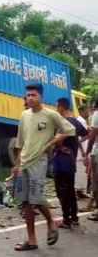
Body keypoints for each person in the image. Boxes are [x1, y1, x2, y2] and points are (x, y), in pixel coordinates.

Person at [13, 83, 75, 251]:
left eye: (33, 95)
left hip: (39, 161)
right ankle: (32, 240)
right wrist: (17, 164)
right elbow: (20, 142)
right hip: (24, 162)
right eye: (28, 95)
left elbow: (70, 130)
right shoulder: (24, 115)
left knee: (37, 197)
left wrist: (53, 142)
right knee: (25, 202)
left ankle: (51, 221)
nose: (30, 98)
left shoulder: (50, 114)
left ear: (41, 96)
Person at [53, 98, 88, 228]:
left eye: (57, 107)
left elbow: (57, 140)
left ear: (61, 107)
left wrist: (60, 146)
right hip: (71, 160)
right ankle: (74, 217)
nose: (57, 110)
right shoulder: (76, 122)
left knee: (62, 191)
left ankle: (66, 219)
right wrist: (76, 143)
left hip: (61, 160)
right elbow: (87, 134)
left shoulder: (62, 122)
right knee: (70, 190)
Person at [84, 100, 98, 221]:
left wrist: (87, 153)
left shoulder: (97, 115)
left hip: (97, 153)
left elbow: (92, 135)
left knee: (96, 182)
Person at [76, 104, 90, 199]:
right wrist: (82, 150)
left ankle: (81, 191)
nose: (88, 113)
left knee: (83, 173)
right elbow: (78, 139)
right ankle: (77, 191)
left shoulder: (84, 122)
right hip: (81, 152)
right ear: (81, 112)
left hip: (84, 151)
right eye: (86, 111)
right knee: (78, 172)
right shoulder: (79, 122)